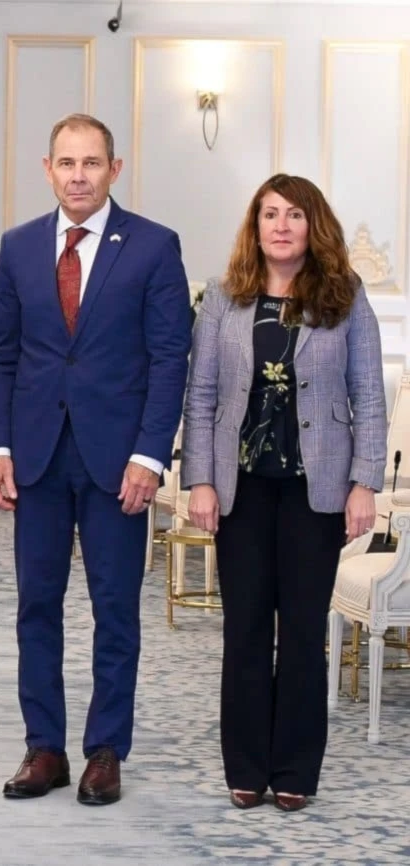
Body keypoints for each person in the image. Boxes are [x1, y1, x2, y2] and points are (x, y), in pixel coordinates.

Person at [0, 113, 192, 805]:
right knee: (36, 607)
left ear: (114, 169)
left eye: (91, 163)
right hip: (37, 459)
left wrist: (150, 455)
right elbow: (0, 355)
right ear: (47, 169)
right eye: (66, 163)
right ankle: (44, 749)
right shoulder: (17, 247)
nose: (78, 175)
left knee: (114, 611)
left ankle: (105, 750)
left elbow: (170, 359)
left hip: (117, 464)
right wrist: (1, 445)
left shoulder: (155, 247)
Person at [181, 174, 384, 812]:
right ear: (256, 225)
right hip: (241, 492)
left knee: (301, 633)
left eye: (294, 215)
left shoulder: (345, 298)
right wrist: (201, 480)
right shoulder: (224, 298)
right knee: (243, 629)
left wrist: (364, 484)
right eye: (270, 214)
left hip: (315, 494)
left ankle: (295, 770)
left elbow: (369, 400)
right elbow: (203, 394)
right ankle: (245, 766)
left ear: (312, 224)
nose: (281, 225)